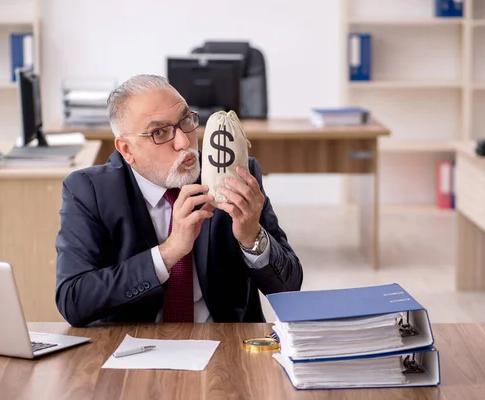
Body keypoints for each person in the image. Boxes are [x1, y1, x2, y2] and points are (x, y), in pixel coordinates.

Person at [54, 74, 303, 327]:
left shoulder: (233, 174)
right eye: (159, 133)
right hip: (135, 350)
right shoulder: (90, 191)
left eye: (186, 121)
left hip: (227, 347)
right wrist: (169, 252)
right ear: (127, 149)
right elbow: (73, 300)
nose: (184, 142)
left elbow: (289, 290)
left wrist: (252, 238)